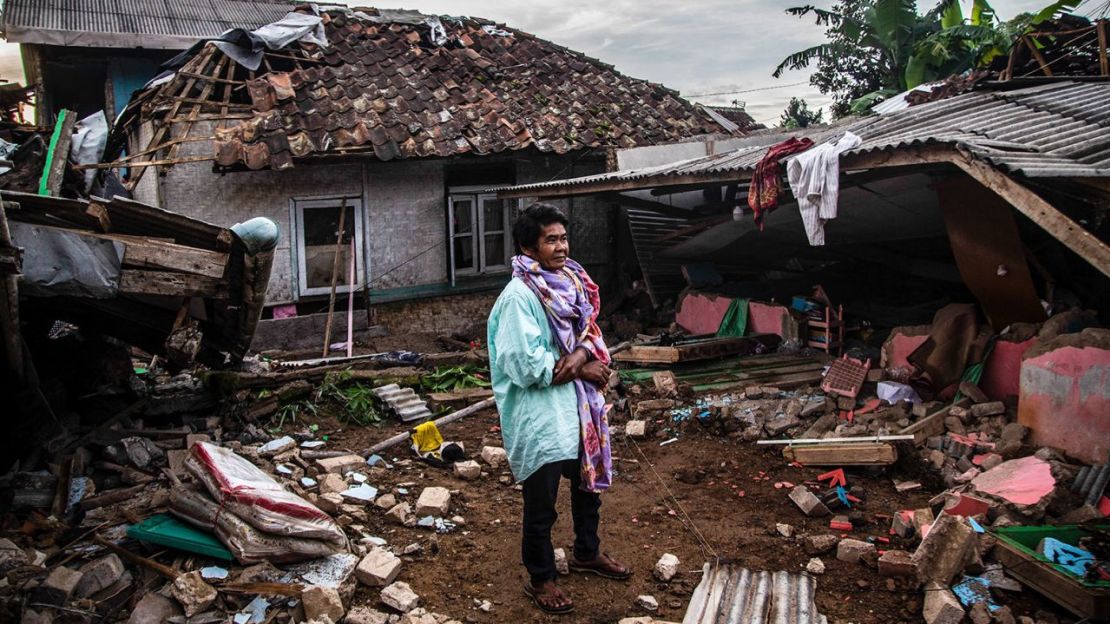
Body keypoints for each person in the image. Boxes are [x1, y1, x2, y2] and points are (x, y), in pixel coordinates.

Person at [487, 202, 631, 615]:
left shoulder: (571, 280)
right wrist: (584, 369)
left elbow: (589, 328)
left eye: (563, 237)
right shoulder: (519, 297)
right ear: (529, 247)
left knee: (587, 490)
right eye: (551, 239)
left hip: (579, 409)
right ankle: (542, 577)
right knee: (542, 503)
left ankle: (587, 552)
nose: (561, 246)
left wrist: (584, 352)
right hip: (542, 412)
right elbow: (526, 365)